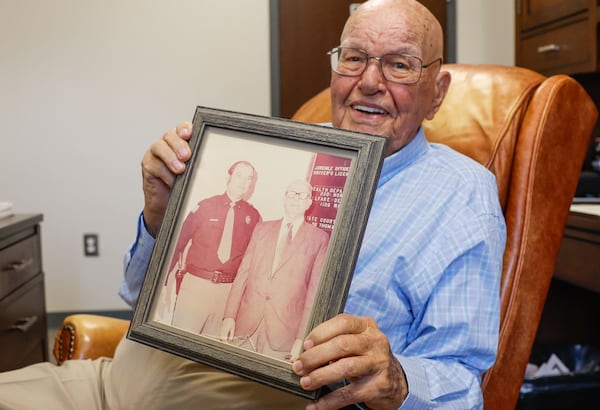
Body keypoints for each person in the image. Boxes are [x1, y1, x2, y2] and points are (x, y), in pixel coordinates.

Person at [0, 1, 506, 409]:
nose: (369, 81)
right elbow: (139, 296)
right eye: (353, 58)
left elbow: (463, 384)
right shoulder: (285, 151)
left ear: (437, 92)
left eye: (400, 64)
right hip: (118, 378)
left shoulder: (462, 195)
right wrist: (159, 220)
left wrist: (395, 376)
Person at [221, 179, 329, 361]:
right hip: (245, 325)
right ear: (284, 199)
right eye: (291, 193)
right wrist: (229, 316)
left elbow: (314, 294)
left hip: (283, 335)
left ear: (309, 202)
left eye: (302, 195)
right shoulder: (261, 229)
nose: (296, 199)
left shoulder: (319, 239)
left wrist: (302, 338)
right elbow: (243, 274)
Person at [155, 160, 261, 335]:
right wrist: (162, 283)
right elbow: (176, 245)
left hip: (227, 294)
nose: (243, 181)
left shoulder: (253, 216)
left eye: (249, 178)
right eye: (239, 176)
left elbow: (251, 262)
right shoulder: (205, 206)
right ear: (229, 177)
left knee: (210, 352)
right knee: (181, 342)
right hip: (195, 288)